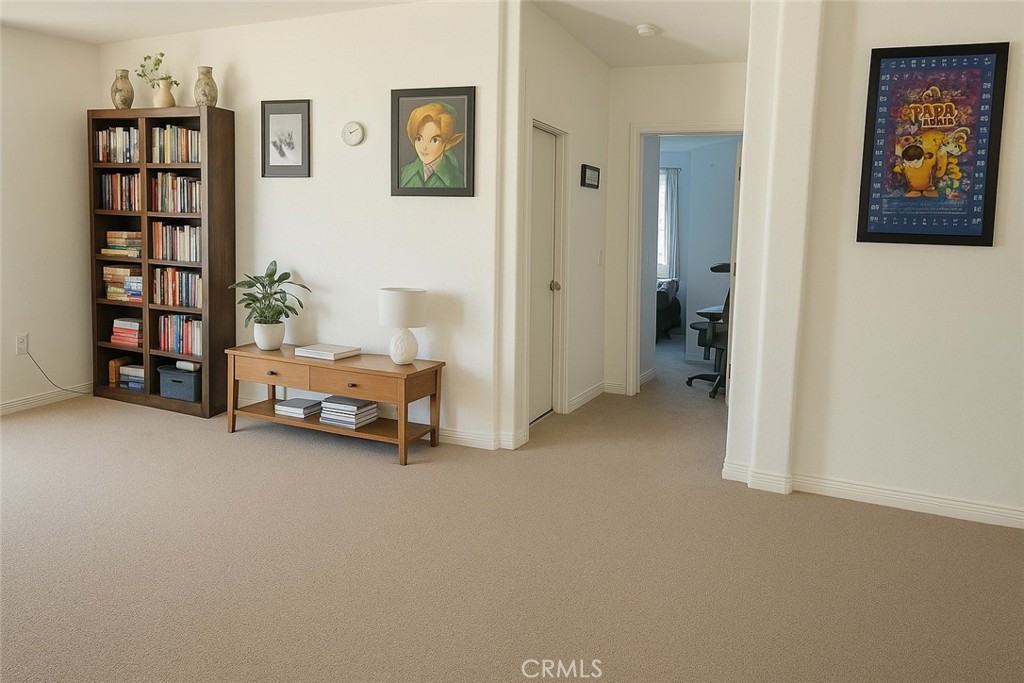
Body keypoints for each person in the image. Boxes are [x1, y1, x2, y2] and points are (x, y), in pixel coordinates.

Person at [399, 102, 465, 188]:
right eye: (419, 139)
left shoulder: (457, 179)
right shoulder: (403, 173)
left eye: (434, 140)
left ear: (447, 143)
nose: (424, 147)